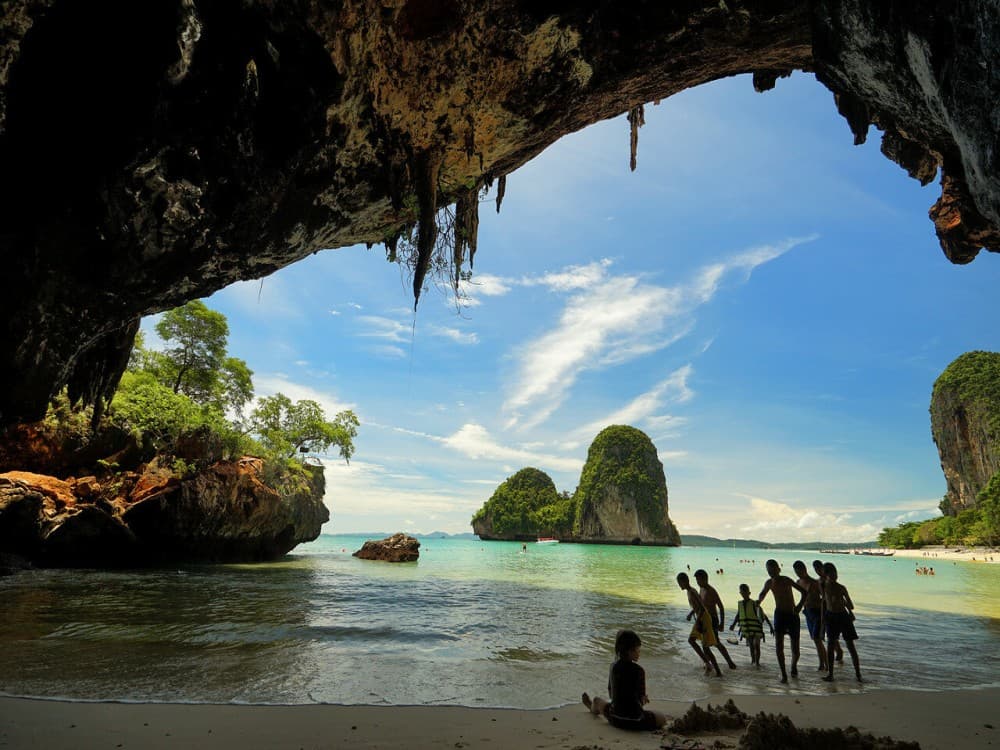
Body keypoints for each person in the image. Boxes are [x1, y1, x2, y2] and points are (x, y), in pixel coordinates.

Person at [582, 629, 667, 730]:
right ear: (629, 651)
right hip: (636, 721)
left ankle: (593, 709)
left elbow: (611, 695)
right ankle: (596, 709)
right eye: (638, 650)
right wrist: (644, 699)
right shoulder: (639, 670)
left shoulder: (612, 667)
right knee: (662, 718)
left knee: (597, 700)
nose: (639, 653)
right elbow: (640, 702)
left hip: (615, 718)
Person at [757, 559, 807, 684]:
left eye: (773, 570)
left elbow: (804, 592)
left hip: (792, 615)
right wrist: (758, 602)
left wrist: (800, 606)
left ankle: (793, 666)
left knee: (795, 649)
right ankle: (784, 674)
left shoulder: (786, 580)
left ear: (778, 569)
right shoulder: (769, 583)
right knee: (779, 646)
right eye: (769, 571)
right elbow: (762, 594)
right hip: (779, 615)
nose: (771, 573)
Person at [821, 563, 863, 682]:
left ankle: (858, 674)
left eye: (835, 573)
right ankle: (831, 674)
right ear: (826, 574)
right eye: (831, 573)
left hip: (842, 616)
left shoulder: (841, 588)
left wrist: (843, 602)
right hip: (831, 616)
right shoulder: (823, 586)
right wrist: (822, 624)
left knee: (850, 646)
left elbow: (851, 605)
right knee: (830, 645)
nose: (834, 575)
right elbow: (823, 604)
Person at [677, 572, 722, 676]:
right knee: (695, 642)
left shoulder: (692, 591)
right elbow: (697, 606)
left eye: (680, 583)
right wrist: (691, 613)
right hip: (701, 617)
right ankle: (708, 664)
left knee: (703, 646)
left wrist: (698, 622)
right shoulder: (689, 591)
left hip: (704, 618)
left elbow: (702, 608)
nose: (679, 585)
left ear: (685, 581)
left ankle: (715, 670)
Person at [693, 569, 737, 669]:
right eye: (696, 580)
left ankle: (726, 664)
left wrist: (722, 623)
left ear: (705, 579)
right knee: (708, 644)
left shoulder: (711, 591)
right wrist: (692, 613)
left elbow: (721, 607)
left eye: (699, 580)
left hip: (712, 620)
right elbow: (701, 605)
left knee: (715, 643)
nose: (697, 582)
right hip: (705, 620)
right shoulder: (702, 589)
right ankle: (710, 664)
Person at [793, 560, 828, 671]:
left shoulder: (814, 583)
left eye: (799, 572)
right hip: (808, 613)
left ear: (805, 570)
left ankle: (824, 664)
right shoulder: (798, 582)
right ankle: (823, 663)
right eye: (796, 572)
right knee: (815, 639)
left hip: (817, 612)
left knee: (817, 639)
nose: (798, 574)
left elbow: (824, 597)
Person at [729, 583, 772, 667]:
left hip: (756, 628)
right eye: (742, 592)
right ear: (740, 593)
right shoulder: (740, 604)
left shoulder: (754, 603)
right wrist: (733, 624)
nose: (744, 594)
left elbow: (763, 615)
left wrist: (770, 626)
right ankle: (753, 661)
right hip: (747, 628)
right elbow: (738, 615)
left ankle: (757, 663)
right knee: (751, 646)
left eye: (745, 592)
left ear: (749, 593)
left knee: (756, 645)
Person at [812, 559, 843, 664]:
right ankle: (837, 652)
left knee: (830, 633)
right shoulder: (818, 581)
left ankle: (838, 651)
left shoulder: (828, 580)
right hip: (825, 607)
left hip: (830, 609)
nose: (817, 571)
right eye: (815, 569)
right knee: (828, 633)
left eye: (819, 568)